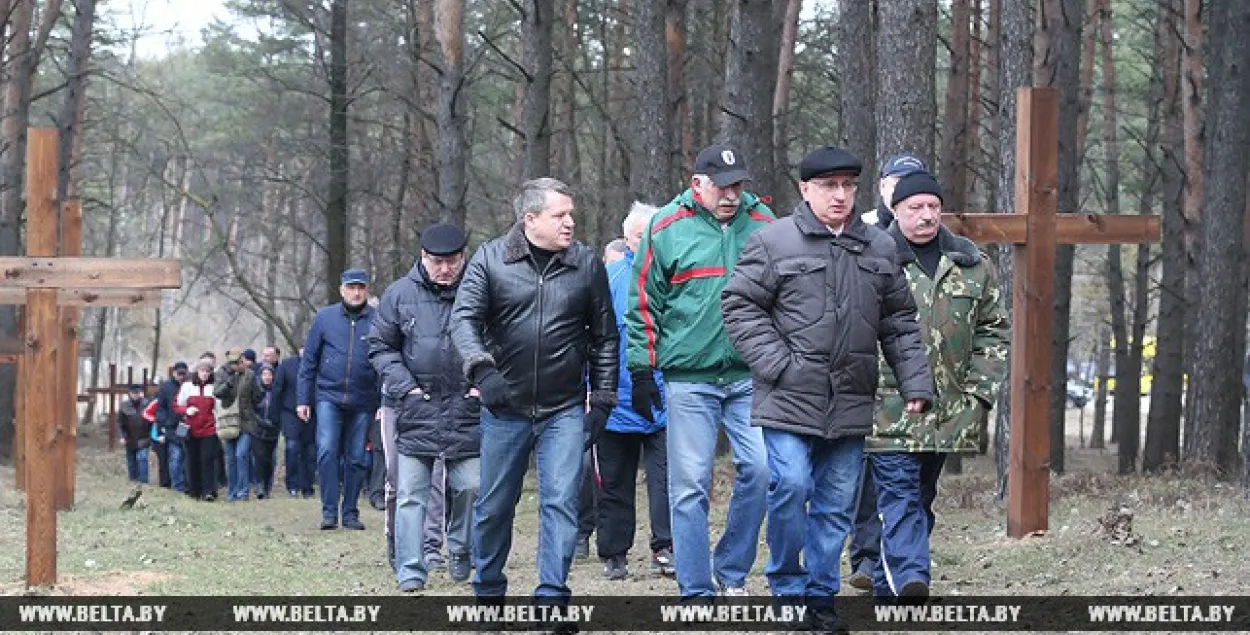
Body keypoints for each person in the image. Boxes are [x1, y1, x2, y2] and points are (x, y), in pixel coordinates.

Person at [720, 146, 933, 626]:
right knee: (791, 485)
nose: (839, 196)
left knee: (836, 507)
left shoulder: (879, 248)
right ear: (806, 191)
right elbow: (739, 305)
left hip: (852, 401)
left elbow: (899, 322)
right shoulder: (773, 241)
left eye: (847, 186)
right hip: (789, 396)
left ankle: (820, 598)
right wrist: (778, 363)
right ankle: (788, 589)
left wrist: (915, 381)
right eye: (828, 187)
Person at [451, 177, 618, 603]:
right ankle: (487, 593)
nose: (570, 222)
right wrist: (483, 372)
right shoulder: (489, 260)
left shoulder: (586, 264)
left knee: (561, 503)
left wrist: (601, 400)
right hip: (504, 408)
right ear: (530, 219)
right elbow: (463, 321)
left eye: (571, 213)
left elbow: (604, 338)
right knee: (493, 508)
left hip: (563, 409)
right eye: (559, 214)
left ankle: (551, 598)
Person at [624, 144, 773, 598]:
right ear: (697, 184)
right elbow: (642, 304)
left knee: (764, 470)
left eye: (738, 185)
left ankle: (730, 570)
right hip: (689, 377)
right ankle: (695, 588)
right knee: (689, 484)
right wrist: (642, 370)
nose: (731, 194)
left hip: (751, 374)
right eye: (722, 186)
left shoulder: (764, 224)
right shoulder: (666, 228)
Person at [864, 171, 1010, 598]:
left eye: (933, 207)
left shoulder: (973, 263)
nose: (926, 216)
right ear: (895, 211)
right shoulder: (873, 258)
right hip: (887, 405)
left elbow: (993, 330)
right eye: (915, 208)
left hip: (950, 408)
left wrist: (980, 392)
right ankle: (912, 576)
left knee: (921, 496)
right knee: (898, 493)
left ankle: (886, 584)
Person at [369, 223, 481, 593]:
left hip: (467, 407)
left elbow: (500, 339)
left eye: (451, 262)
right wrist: (407, 388)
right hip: (417, 408)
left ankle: (461, 547)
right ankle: (411, 568)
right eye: (437, 262)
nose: (444, 269)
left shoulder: (480, 290)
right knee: (410, 495)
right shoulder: (399, 294)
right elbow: (381, 347)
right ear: (423, 258)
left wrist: (483, 381)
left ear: (463, 258)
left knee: (469, 487)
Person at [596, 202, 674, 581]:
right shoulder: (607, 278)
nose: (645, 241)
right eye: (638, 235)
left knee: (668, 481)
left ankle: (666, 547)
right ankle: (614, 553)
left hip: (667, 400)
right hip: (616, 400)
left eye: (651, 234)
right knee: (614, 481)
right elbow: (593, 339)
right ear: (626, 239)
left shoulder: (677, 274)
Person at [298, 269, 381, 530]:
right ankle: (329, 511)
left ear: (367, 290)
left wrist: (383, 402)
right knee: (326, 450)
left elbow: (385, 361)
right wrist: (303, 399)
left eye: (361, 287)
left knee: (357, 457)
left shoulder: (378, 320)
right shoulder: (324, 318)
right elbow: (309, 361)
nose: (356, 292)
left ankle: (350, 512)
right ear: (341, 290)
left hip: (364, 398)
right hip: (328, 395)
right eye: (351, 287)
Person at [215, 349, 262, 502]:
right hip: (228, 421)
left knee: (241, 455)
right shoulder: (221, 374)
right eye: (236, 363)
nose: (240, 365)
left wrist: (252, 402)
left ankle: (243, 492)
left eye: (241, 362)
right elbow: (217, 393)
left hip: (246, 421)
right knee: (230, 459)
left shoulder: (249, 375)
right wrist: (229, 382)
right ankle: (232, 492)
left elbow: (257, 396)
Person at [176, 361, 220, 501]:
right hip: (191, 429)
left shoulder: (213, 388)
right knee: (192, 460)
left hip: (209, 429)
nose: (205, 374)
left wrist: (217, 425)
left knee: (207, 460)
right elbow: (177, 405)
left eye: (207, 371)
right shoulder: (187, 386)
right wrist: (186, 410)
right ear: (197, 372)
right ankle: (194, 490)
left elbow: (218, 409)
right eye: (202, 371)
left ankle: (208, 491)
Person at [276, 348, 315, 498]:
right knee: (292, 448)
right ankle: (292, 485)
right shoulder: (287, 365)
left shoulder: (318, 365)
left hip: (313, 413)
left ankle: (307, 486)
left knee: (310, 452)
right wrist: (275, 416)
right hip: (290, 412)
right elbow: (278, 390)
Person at [861, 152, 928, 228]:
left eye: (913, 185)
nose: (905, 192)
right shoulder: (861, 227)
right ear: (882, 186)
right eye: (897, 184)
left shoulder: (933, 227)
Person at [155, 362, 188, 492]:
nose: (181, 376)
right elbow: (161, 407)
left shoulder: (189, 385)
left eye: (183, 374)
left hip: (185, 424)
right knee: (175, 456)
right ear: (174, 373)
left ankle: (185, 484)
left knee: (185, 455)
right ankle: (178, 485)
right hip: (171, 426)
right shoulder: (166, 387)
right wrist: (162, 424)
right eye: (179, 374)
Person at [251, 364, 283, 499]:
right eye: (264, 374)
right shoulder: (256, 391)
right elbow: (250, 409)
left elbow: (281, 409)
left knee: (269, 459)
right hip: (257, 429)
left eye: (269, 374)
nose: (267, 377)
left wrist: (276, 422)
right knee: (259, 458)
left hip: (273, 430)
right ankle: (259, 485)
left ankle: (267, 486)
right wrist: (260, 421)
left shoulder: (277, 391)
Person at [118, 384, 153, 484]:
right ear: (130, 394)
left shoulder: (147, 404)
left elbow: (153, 420)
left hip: (144, 437)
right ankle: (133, 481)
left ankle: (143, 482)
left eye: (138, 393)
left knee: (142, 459)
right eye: (134, 393)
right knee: (131, 461)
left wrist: (151, 435)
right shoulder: (124, 406)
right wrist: (122, 436)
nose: (136, 395)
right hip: (129, 437)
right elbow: (120, 423)